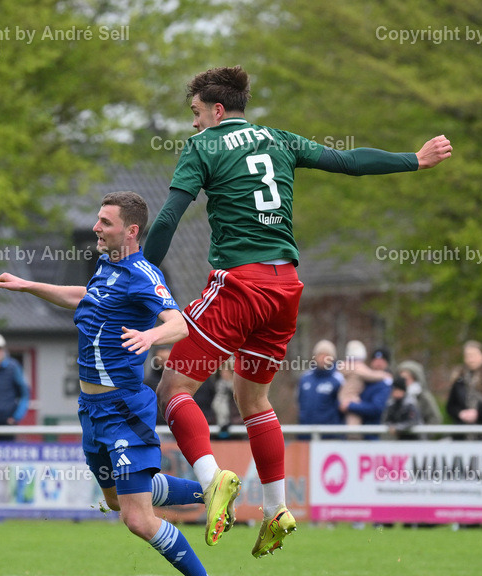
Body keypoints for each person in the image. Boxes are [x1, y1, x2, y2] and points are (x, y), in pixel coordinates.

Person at [143, 64, 452, 557]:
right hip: (286, 289)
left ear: (217, 110)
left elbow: (166, 218)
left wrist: (139, 273)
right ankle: (276, 508)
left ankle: (210, 479)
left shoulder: (203, 147)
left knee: (175, 386)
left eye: (196, 113)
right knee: (255, 402)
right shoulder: (281, 140)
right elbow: (348, 161)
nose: (193, 123)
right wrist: (413, 159)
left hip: (239, 285)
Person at [0, 191, 210, 576]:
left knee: (138, 519)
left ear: (131, 230)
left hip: (123, 409)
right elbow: (86, 296)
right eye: (98, 219)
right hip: (92, 411)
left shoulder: (142, 273)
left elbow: (177, 322)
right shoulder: (107, 267)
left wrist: (150, 337)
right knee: (114, 501)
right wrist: (27, 285)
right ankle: (209, 492)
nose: (96, 227)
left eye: (105, 222)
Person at [447, 340, 482, 435]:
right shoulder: (459, 380)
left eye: (473, 355)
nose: (470, 359)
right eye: (468, 356)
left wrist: (478, 414)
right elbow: (450, 406)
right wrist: (460, 413)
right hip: (462, 433)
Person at [297, 339, 345, 425]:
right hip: (305, 432)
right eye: (320, 355)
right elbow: (298, 401)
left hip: (330, 434)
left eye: (327, 355)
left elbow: (343, 406)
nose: (323, 359)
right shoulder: (305, 378)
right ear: (315, 357)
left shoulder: (338, 379)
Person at [396, 360, 443, 426]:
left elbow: (435, 418)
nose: (404, 382)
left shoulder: (423, 396)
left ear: (415, 378)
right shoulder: (395, 396)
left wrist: (423, 434)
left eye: (407, 378)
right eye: (402, 378)